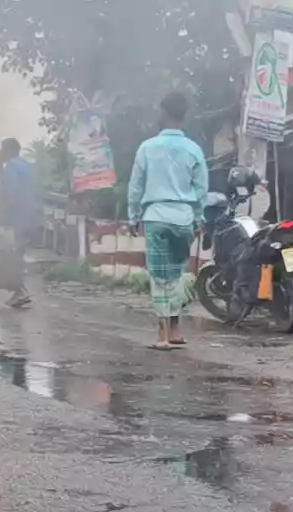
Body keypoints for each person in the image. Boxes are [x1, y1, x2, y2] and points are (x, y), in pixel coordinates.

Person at [126, 92, 206, 349]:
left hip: (156, 217)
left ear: (163, 113)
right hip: (183, 219)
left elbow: (135, 186)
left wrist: (133, 216)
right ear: (184, 116)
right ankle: (176, 329)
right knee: (177, 273)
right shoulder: (194, 149)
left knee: (159, 276)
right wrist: (199, 217)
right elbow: (201, 189)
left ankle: (163, 335)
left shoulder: (147, 148)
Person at [0, 137, 37, 309]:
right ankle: (19, 291)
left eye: (2, 149)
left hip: (17, 217)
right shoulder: (26, 166)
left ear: (8, 150)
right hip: (29, 216)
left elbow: (10, 193)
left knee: (12, 255)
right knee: (18, 253)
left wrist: (4, 216)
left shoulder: (11, 166)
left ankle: (20, 291)